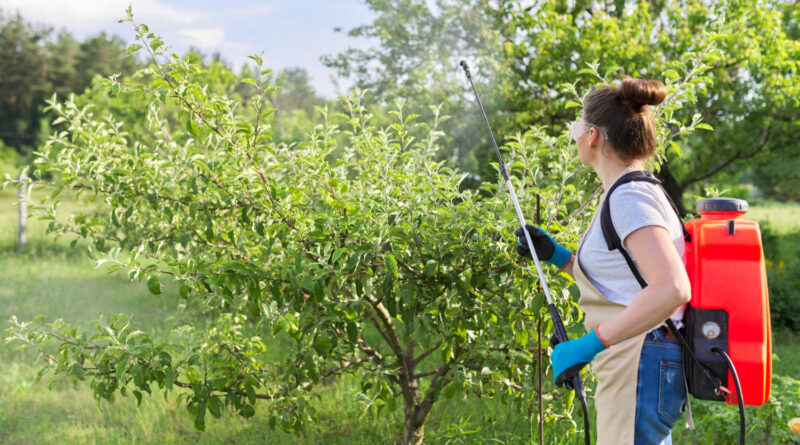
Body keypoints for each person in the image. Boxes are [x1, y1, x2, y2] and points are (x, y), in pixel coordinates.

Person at [515, 78, 691, 445]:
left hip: (640, 358)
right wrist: (559, 257)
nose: (575, 136)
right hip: (640, 359)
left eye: (577, 127)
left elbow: (672, 287)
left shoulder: (630, 198)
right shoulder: (627, 192)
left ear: (593, 136)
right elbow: (627, 280)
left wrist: (588, 344)